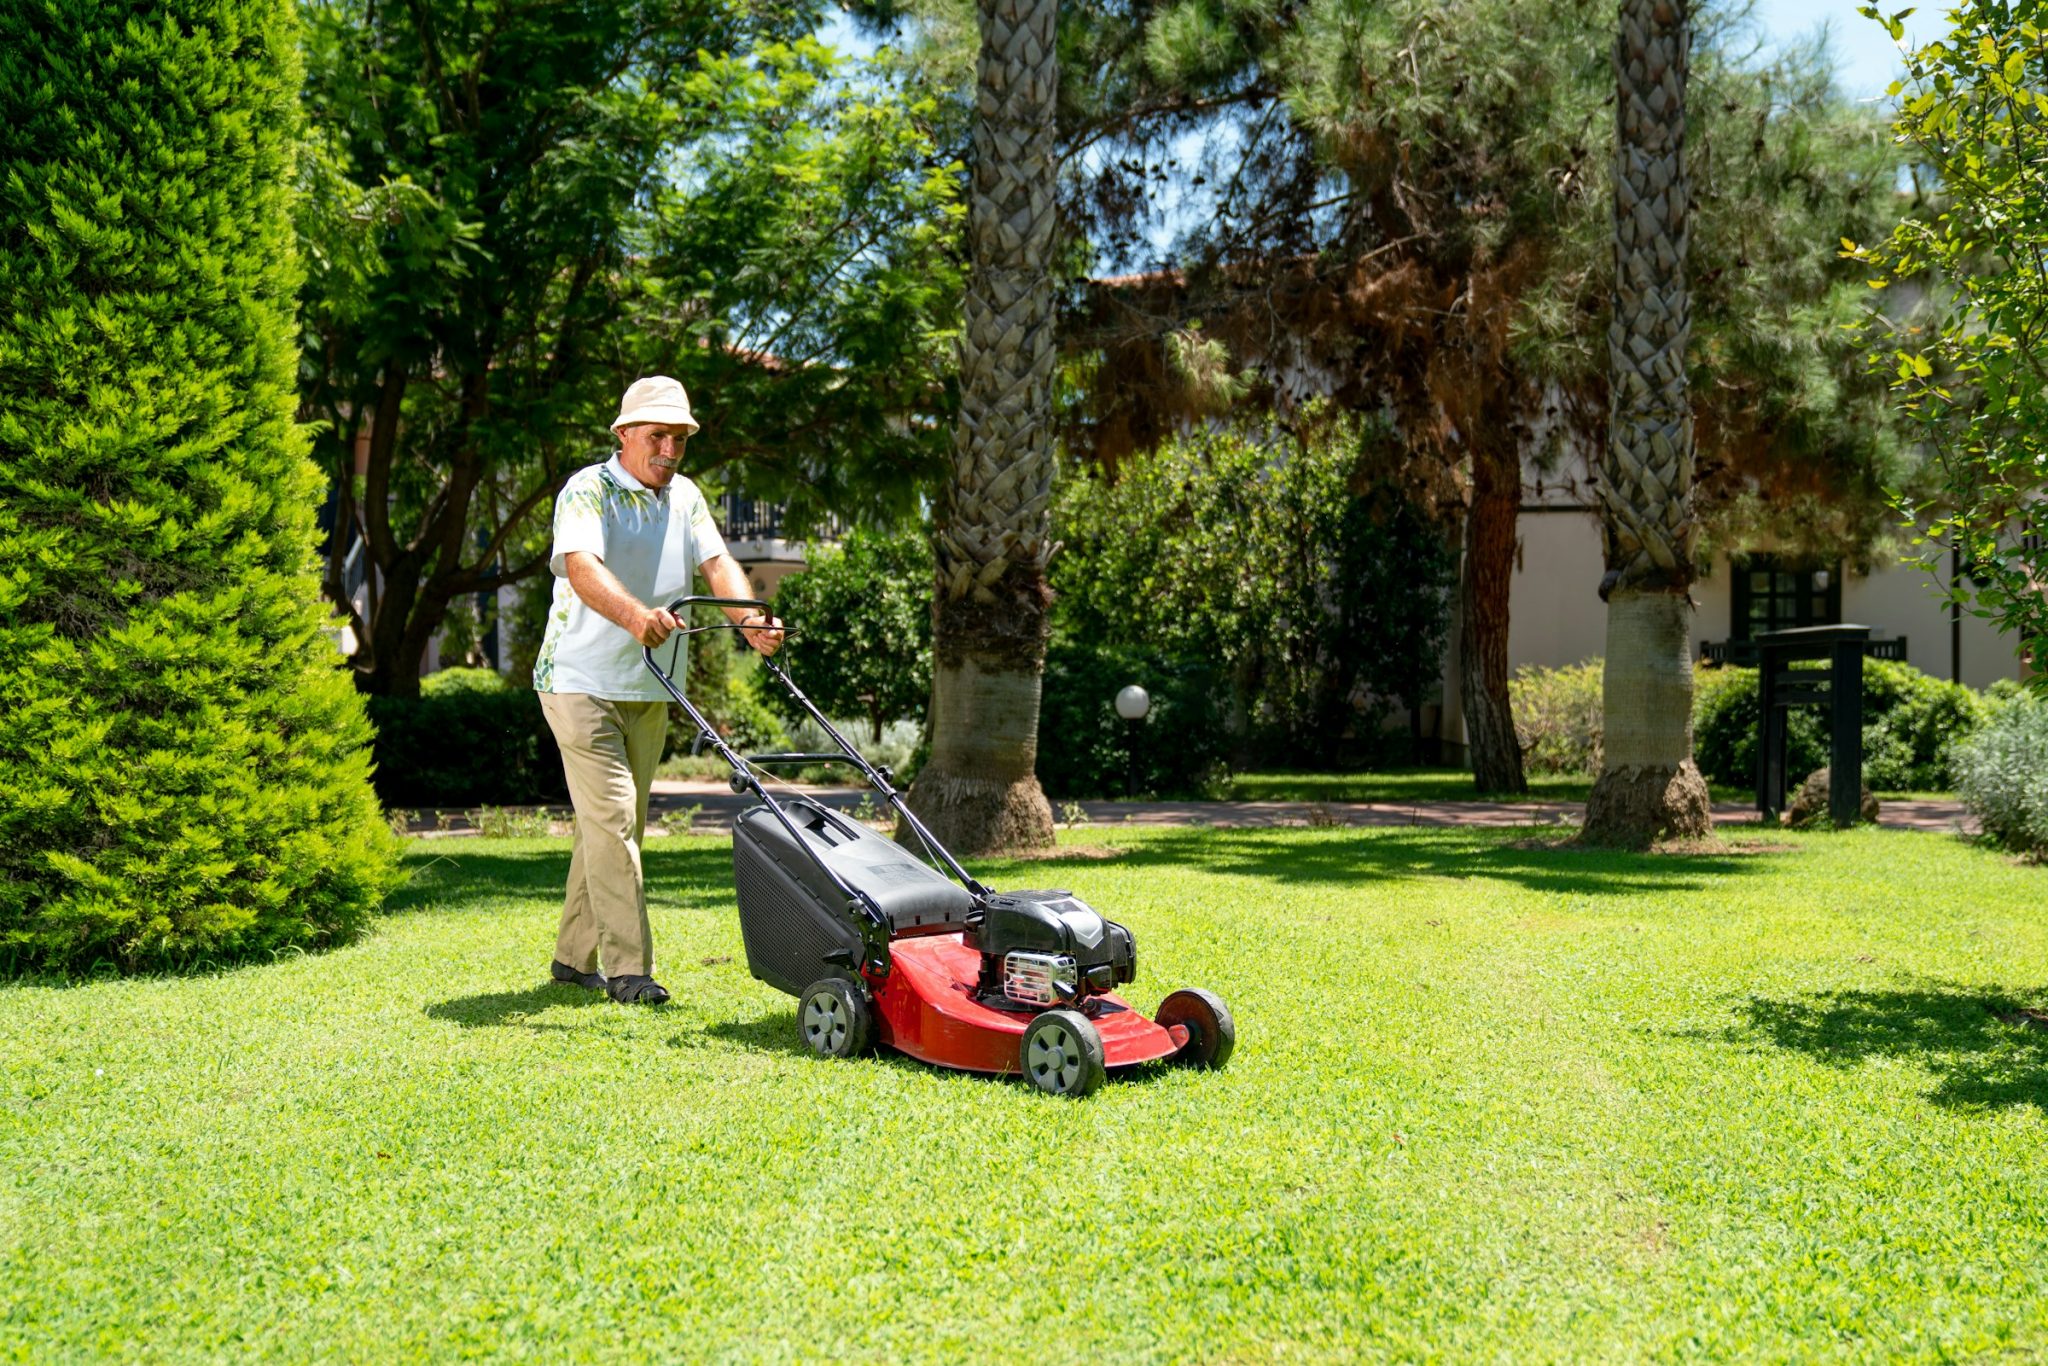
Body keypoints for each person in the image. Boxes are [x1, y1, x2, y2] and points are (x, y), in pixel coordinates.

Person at [533, 375, 783, 1005]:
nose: (669, 449)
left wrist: (750, 619)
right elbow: (583, 569)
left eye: (679, 438)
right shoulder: (587, 490)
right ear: (624, 435)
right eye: (657, 436)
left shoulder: (687, 497)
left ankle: (570, 959)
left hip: (649, 684)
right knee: (616, 820)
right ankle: (628, 972)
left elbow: (718, 564)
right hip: (577, 681)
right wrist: (636, 616)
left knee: (615, 826)